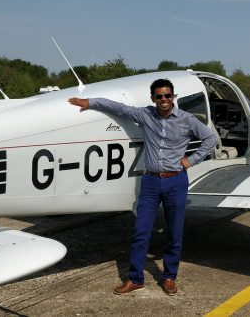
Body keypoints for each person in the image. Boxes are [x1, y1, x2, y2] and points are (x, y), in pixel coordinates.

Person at [68, 78, 217, 296]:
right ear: (153, 98)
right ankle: (135, 278)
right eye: (159, 96)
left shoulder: (187, 119)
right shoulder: (145, 115)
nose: (164, 100)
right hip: (150, 181)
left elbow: (210, 138)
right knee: (141, 231)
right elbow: (119, 108)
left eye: (167, 95)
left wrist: (191, 161)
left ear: (173, 97)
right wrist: (90, 102)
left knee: (174, 232)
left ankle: (169, 277)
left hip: (176, 180)